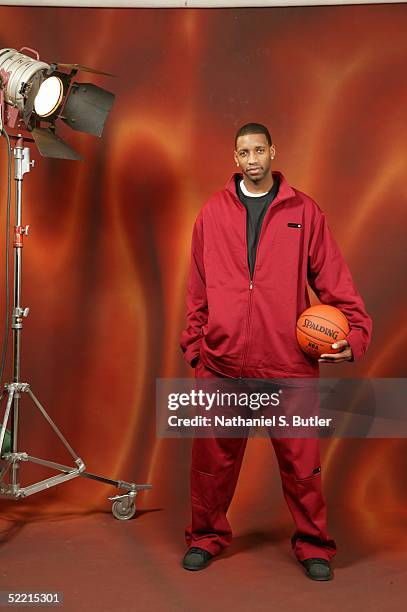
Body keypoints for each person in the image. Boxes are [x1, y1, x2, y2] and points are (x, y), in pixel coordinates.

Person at [180, 122, 372, 580]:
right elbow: (196, 290)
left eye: (259, 150)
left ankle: (314, 546)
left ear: (272, 152)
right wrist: (196, 348)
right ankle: (205, 537)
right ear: (235, 157)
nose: (252, 159)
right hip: (223, 365)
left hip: (288, 365)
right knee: (210, 466)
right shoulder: (212, 212)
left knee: (302, 467)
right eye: (243, 151)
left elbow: (335, 282)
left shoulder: (304, 212)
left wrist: (356, 336)